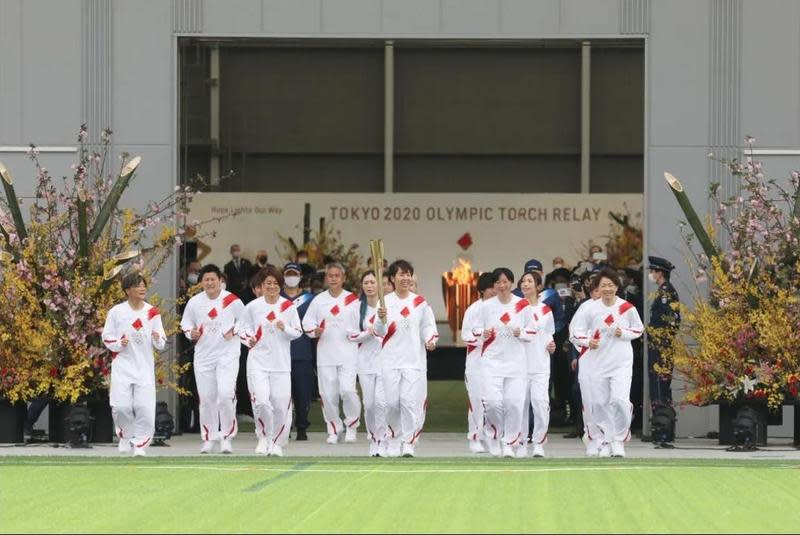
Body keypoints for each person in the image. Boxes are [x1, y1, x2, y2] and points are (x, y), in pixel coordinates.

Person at [569, 267, 644, 458]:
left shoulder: (627, 308)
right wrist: (587, 342)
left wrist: (623, 333)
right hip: (596, 363)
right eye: (603, 286)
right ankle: (605, 440)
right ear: (597, 288)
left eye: (610, 285)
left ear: (617, 287)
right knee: (600, 403)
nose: (607, 289)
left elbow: (639, 329)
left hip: (620, 363)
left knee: (620, 401)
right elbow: (575, 331)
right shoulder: (589, 308)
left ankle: (619, 439)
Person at [472, 268, 537, 458]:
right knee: (492, 403)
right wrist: (481, 333)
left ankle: (510, 442)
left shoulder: (522, 305)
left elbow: (532, 332)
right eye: (498, 282)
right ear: (494, 285)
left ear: (511, 283)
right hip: (491, 361)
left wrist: (521, 333)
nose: (502, 286)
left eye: (505, 282)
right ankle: (493, 435)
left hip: (516, 363)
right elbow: (474, 329)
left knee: (514, 404)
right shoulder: (486, 306)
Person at [180, 264, 245, 454]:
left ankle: (226, 437)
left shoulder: (231, 300)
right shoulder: (194, 302)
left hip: (227, 355)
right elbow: (185, 323)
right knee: (207, 398)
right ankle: (208, 438)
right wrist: (190, 332)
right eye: (206, 280)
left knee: (225, 395)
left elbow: (245, 321)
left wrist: (234, 330)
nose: (210, 283)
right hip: (204, 356)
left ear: (220, 281)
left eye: (213, 279)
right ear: (201, 282)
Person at [375, 260, 437, 457]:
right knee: (392, 403)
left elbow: (427, 326)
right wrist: (380, 318)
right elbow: (379, 332)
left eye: (408, 274)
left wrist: (430, 339)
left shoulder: (419, 303)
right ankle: (393, 438)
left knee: (409, 402)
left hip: (413, 361)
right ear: (392, 278)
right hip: (390, 360)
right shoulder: (384, 303)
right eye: (401, 274)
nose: (405, 278)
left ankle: (408, 442)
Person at [101, 273, 166, 457]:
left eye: (143, 285)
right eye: (137, 286)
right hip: (123, 365)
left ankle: (140, 444)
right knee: (121, 406)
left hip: (144, 367)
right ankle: (125, 435)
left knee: (144, 407)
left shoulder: (152, 312)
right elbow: (107, 335)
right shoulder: (116, 312)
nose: (142, 288)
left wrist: (157, 339)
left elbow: (161, 339)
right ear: (127, 290)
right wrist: (117, 344)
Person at [240, 266, 302, 457]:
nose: (272, 286)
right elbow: (242, 330)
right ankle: (263, 436)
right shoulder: (253, 307)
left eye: (275, 283)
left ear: (280, 285)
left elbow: (298, 332)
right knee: (261, 402)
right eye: (268, 283)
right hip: (258, 362)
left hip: (281, 364)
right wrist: (247, 339)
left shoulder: (288, 307)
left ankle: (277, 442)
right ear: (261, 285)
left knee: (281, 404)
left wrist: (285, 329)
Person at [302, 262, 362, 444]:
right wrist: (314, 331)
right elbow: (307, 323)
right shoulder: (319, 300)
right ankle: (334, 429)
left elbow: (362, 325)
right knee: (328, 395)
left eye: (337, 275)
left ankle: (351, 426)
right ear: (326, 278)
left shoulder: (353, 300)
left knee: (348, 390)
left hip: (348, 355)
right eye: (330, 276)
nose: (334, 278)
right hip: (326, 355)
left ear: (343, 278)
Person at [346, 271, 387, 457]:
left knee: (381, 403)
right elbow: (350, 335)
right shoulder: (356, 308)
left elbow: (391, 331)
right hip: (364, 362)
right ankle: (373, 439)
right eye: (366, 282)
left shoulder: (386, 306)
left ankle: (383, 440)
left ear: (379, 285)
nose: (369, 286)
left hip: (385, 361)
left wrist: (379, 330)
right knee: (369, 403)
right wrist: (368, 333)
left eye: (373, 282)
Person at [517, 271, 557, 457]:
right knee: (520, 405)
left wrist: (551, 345)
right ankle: (521, 442)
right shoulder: (514, 309)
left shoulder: (545, 310)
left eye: (529, 281)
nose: (525, 284)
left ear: (538, 286)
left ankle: (539, 442)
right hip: (519, 365)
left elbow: (549, 334)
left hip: (540, 364)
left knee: (540, 403)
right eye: (523, 281)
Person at [460, 272, 496, 453]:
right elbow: (465, 335)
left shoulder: (501, 309)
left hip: (497, 363)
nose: (494, 290)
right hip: (476, 363)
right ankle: (474, 437)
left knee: (493, 401)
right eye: (491, 287)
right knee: (476, 401)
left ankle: (491, 436)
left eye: (496, 286)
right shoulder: (474, 309)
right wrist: (483, 336)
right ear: (482, 289)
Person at [281, 262, 316, 441]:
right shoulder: (276, 298)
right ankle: (282, 428)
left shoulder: (310, 299)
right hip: (279, 354)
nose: (291, 277)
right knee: (281, 395)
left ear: (300, 276)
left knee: (302, 393)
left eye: (294, 274)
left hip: (302, 353)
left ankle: (302, 426)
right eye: (288, 274)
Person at [647, 256, 681, 408]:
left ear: (660, 273)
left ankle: (661, 416)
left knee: (659, 382)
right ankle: (662, 417)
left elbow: (670, 319)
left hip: (661, 343)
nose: (651, 275)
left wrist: (661, 338)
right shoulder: (663, 291)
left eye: (653, 271)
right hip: (659, 342)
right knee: (659, 381)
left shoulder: (666, 292)